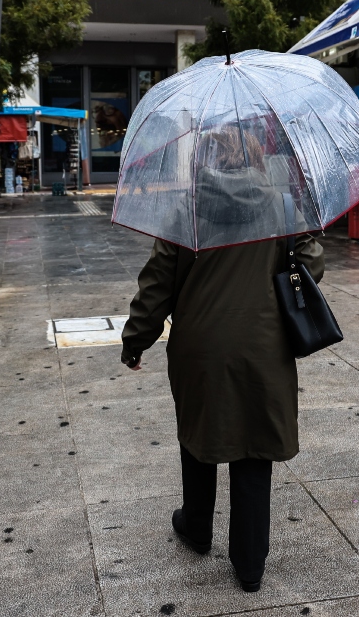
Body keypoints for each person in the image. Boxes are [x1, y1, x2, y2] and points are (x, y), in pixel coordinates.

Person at [121, 130, 324, 593]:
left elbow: (157, 286)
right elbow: (311, 268)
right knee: (255, 446)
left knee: (199, 434)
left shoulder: (186, 212)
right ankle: (249, 564)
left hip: (200, 346)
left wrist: (136, 341)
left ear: (205, 159)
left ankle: (196, 527)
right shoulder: (283, 208)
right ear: (255, 158)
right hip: (263, 344)